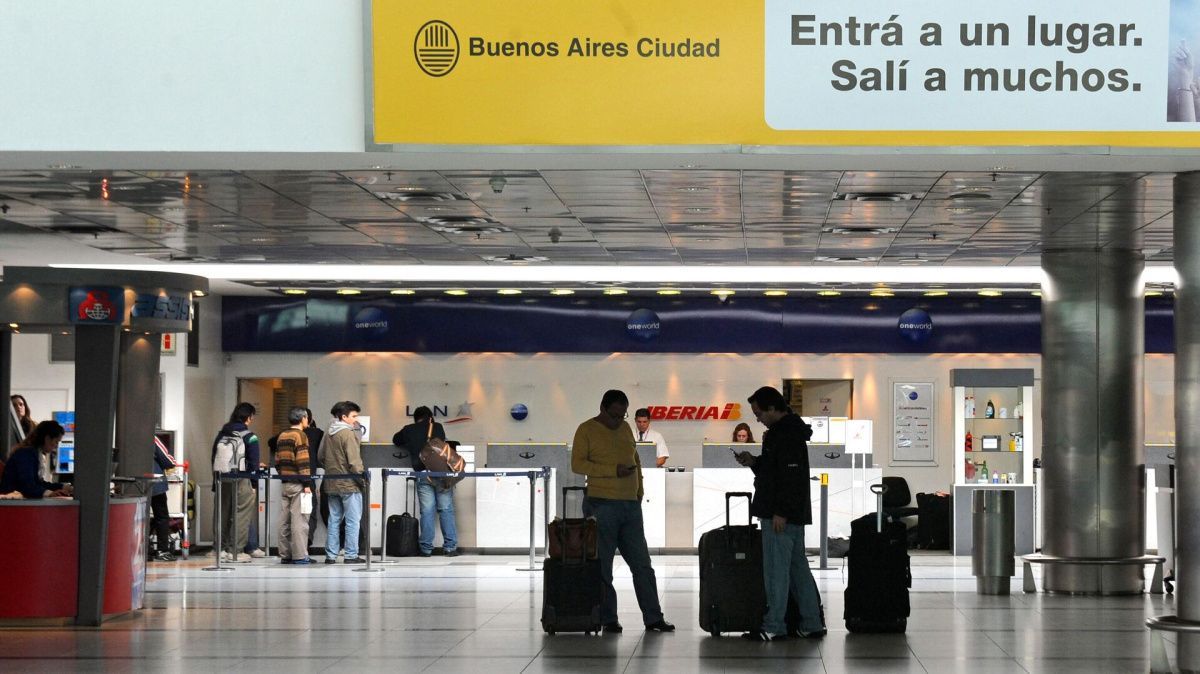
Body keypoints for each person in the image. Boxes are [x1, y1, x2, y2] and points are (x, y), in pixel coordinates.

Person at [571, 389, 674, 635]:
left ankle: (653, 617)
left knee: (642, 565)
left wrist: (639, 491)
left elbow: (635, 460)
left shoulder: (626, 428)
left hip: (630, 506)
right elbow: (578, 464)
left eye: (623, 415)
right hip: (601, 504)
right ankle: (608, 618)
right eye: (615, 415)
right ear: (602, 408)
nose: (618, 420)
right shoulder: (586, 429)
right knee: (603, 566)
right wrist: (612, 471)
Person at [734, 386, 826, 641]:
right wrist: (754, 462)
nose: (757, 419)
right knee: (798, 570)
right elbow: (776, 470)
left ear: (773, 408)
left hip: (779, 515)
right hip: (793, 514)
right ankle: (811, 622)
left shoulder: (784, 434)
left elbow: (790, 475)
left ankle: (774, 625)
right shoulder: (789, 431)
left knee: (776, 571)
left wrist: (781, 511)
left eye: (759, 413)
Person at [392, 406, 458, 557]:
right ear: (430, 417)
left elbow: (396, 440)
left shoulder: (408, 429)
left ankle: (426, 548)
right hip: (441, 473)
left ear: (415, 418)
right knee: (445, 509)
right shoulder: (437, 427)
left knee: (427, 511)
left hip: (423, 474)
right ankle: (450, 547)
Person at [211, 402, 262, 562]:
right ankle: (236, 551)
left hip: (222, 478)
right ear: (249, 417)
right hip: (241, 479)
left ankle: (219, 549)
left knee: (222, 513)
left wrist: (215, 482)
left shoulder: (222, 434)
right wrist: (254, 484)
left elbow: (214, 458)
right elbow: (254, 463)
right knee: (242, 514)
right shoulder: (250, 437)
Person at [320, 400, 365, 564]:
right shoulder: (348, 433)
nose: (356, 419)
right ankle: (351, 554)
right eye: (354, 416)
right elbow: (354, 462)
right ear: (344, 417)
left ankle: (331, 555)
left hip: (331, 483)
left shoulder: (329, 433)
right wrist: (362, 480)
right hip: (349, 484)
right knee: (352, 521)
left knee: (334, 520)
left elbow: (320, 457)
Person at [275, 406, 313, 565]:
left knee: (284, 521)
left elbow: (277, 460)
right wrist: (307, 483)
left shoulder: (282, 435)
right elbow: (303, 461)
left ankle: (285, 554)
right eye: (306, 418)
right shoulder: (301, 436)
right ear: (303, 419)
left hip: (285, 483)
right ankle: (300, 556)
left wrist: (283, 474)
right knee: (300, 521)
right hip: (298, 483)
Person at [0, 420, 71, 499]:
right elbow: (28, 486)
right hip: (10, 501)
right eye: (56, 442)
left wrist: (63, 486)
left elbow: (38, 483)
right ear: (47, 439)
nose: (56, 446)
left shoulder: (33, 453)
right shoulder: (26, 454)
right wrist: (50, 493)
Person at [149, 436, 178, 562]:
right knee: (161, 517)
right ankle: (162, 551)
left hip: (132, 485)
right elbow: (168, 460)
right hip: (155, 484)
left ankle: (142, 550)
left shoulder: (124, 435)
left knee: (139, 518)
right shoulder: (152, 437)